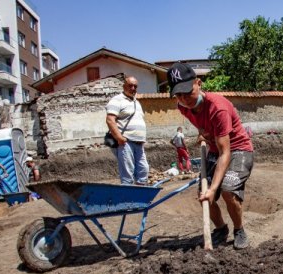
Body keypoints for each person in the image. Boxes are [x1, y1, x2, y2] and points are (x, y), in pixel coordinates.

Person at [168, 62, 254, 250]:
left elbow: (226, 153)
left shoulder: (218, 108)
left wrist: (214, 187)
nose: (184, 99)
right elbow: (200, 122)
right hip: (216, 150)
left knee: (226, 190)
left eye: (187, 92)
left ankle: (239, 230)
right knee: (203, 194)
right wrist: (202, 132)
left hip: (238, 150)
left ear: (198, 83)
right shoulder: (183, 106)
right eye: (178, 95)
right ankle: (221, 229)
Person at [105, 76, 149, 185]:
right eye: (130, 85)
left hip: (139, 143)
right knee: (127, 172)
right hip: (126, 142)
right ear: (124, 86)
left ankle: (140, 195)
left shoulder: (136, 102)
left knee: (143, 170)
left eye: (135, 86)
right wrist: (119, 138)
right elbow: (110, 120)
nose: (133, 88)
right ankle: (128, 198)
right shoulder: (117, 100)